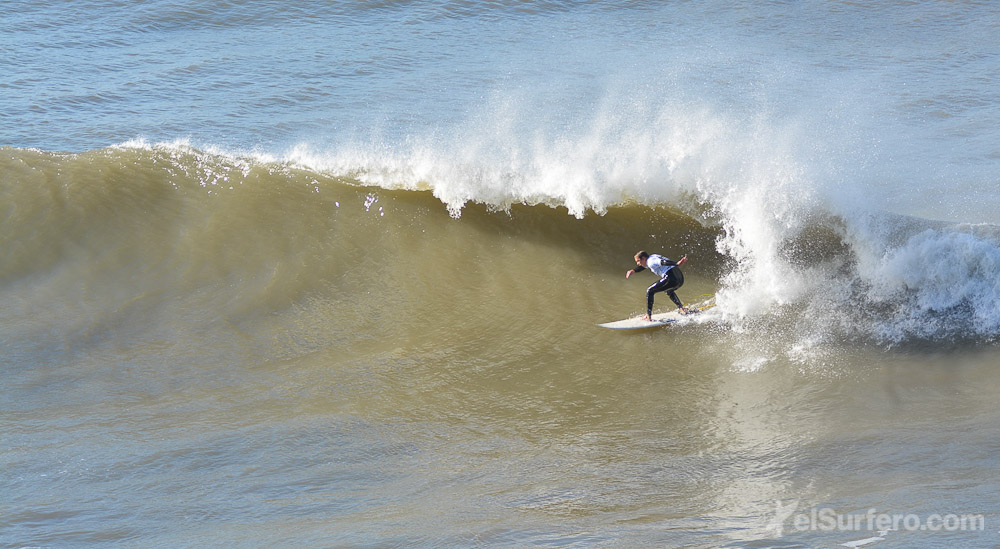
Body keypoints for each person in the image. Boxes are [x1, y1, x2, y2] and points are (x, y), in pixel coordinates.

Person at [626, 250, 688, 321]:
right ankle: (681, 309)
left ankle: (648, 316)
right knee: (668, 291)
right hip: (679, 278)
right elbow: (645, 266)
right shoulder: (652, 257)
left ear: (644, 258)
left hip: (671, 278)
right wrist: (633, 271)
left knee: (650, 291)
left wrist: (676, 263)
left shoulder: (651, 262)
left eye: (638, 261)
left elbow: (662, 262)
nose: (638, 263)